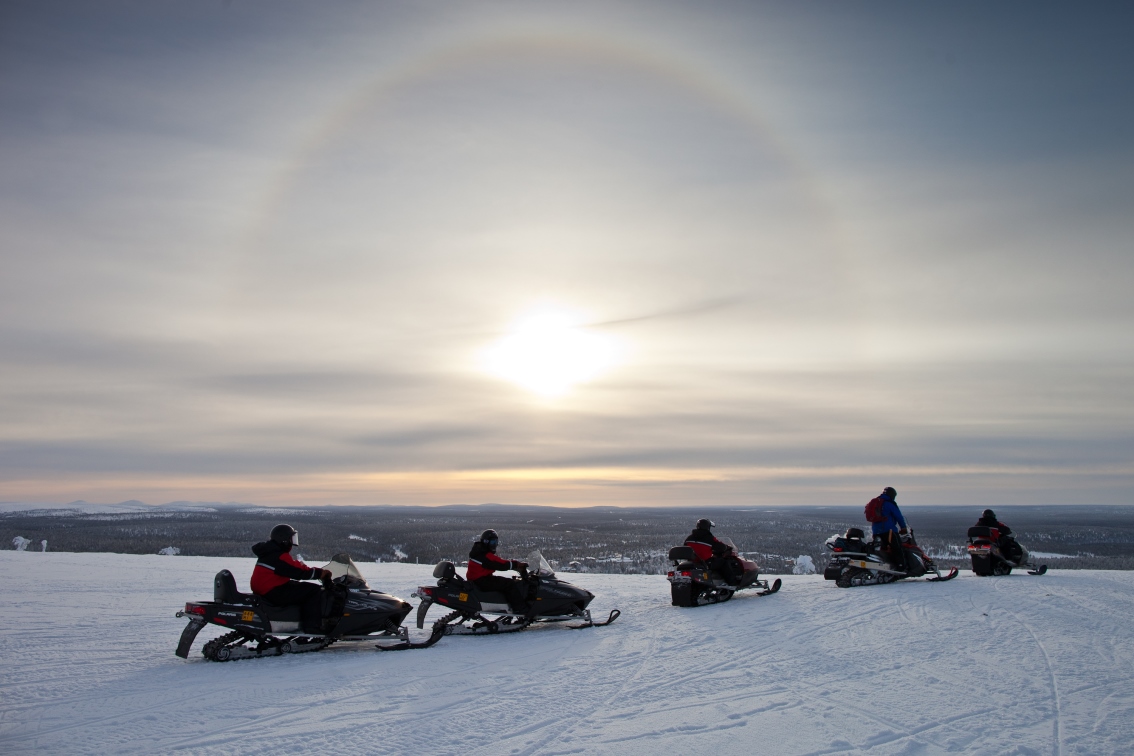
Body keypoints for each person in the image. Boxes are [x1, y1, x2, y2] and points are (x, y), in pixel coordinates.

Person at [251, 524, 332, 634]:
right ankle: (312, 627)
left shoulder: (270, 551)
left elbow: (293, 566)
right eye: (291, 538)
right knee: (314, 591)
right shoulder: (279, 555)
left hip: (269, 588)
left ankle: (299, 619)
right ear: (284, 539)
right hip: (273, 591)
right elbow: (299, 572)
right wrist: (320, 573)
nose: (292, 542)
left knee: (301, 587)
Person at [466, 529, 531, 615]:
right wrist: (516, 565)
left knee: (505, 582)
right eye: (493, 542)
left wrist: (514, 565)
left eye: (496, 542)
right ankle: (521, 609)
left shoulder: (480, 551)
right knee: (510, 584)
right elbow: (500, 564)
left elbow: (498, 561)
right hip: (481, 581)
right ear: (486, 542)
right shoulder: (484, 555)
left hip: (478, 579)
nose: (495, 544)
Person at [684, 518, 742, 585]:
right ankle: (732, 583)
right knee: (723, 562)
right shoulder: (709, 538)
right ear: (707, 527)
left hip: (692, 562)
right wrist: (727, 547)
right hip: (705, 562)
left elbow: (685, 548)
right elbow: (720, 547)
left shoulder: (689, 538)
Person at [871, 487, 908, 572]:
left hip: (876, 531)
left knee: (882, 550)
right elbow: (898, 516)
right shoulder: (889, 503)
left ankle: (886, 565)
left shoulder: (877, 502)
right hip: (889, 531)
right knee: (898, 548)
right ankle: (901, 567)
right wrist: (903, 528)